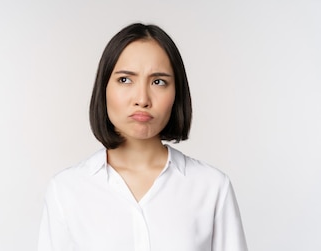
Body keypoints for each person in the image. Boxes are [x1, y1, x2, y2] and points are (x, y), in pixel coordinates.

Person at [38, 23, 247, 251]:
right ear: (104, 88)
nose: (142, 98)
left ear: (176, 93)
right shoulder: (66, 190)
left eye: (158, 82)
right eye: (125, 80)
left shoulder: (212, 187)